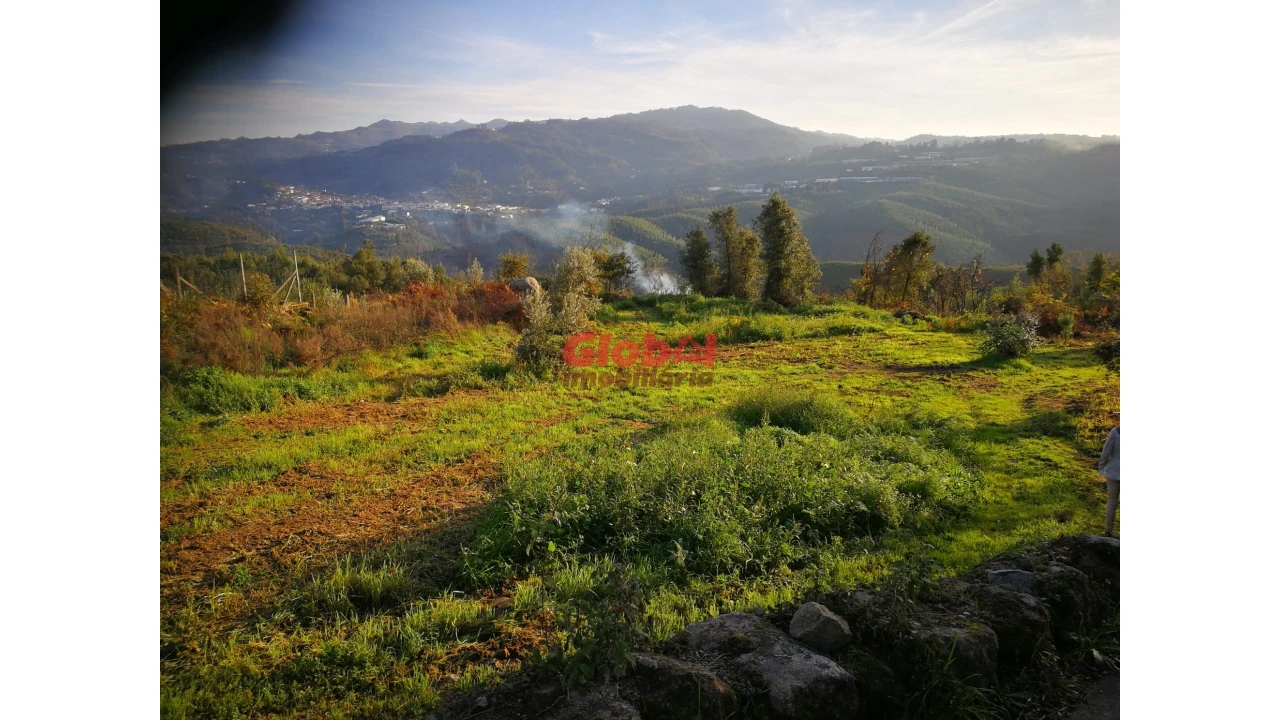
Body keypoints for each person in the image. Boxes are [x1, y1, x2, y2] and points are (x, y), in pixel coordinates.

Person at [1097, 414, 1120, 536]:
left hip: (1113, 472)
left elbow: (1106, 452)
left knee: (1112, 501)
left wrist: (1102, 467)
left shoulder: (1116, 432)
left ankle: (1108, 530)